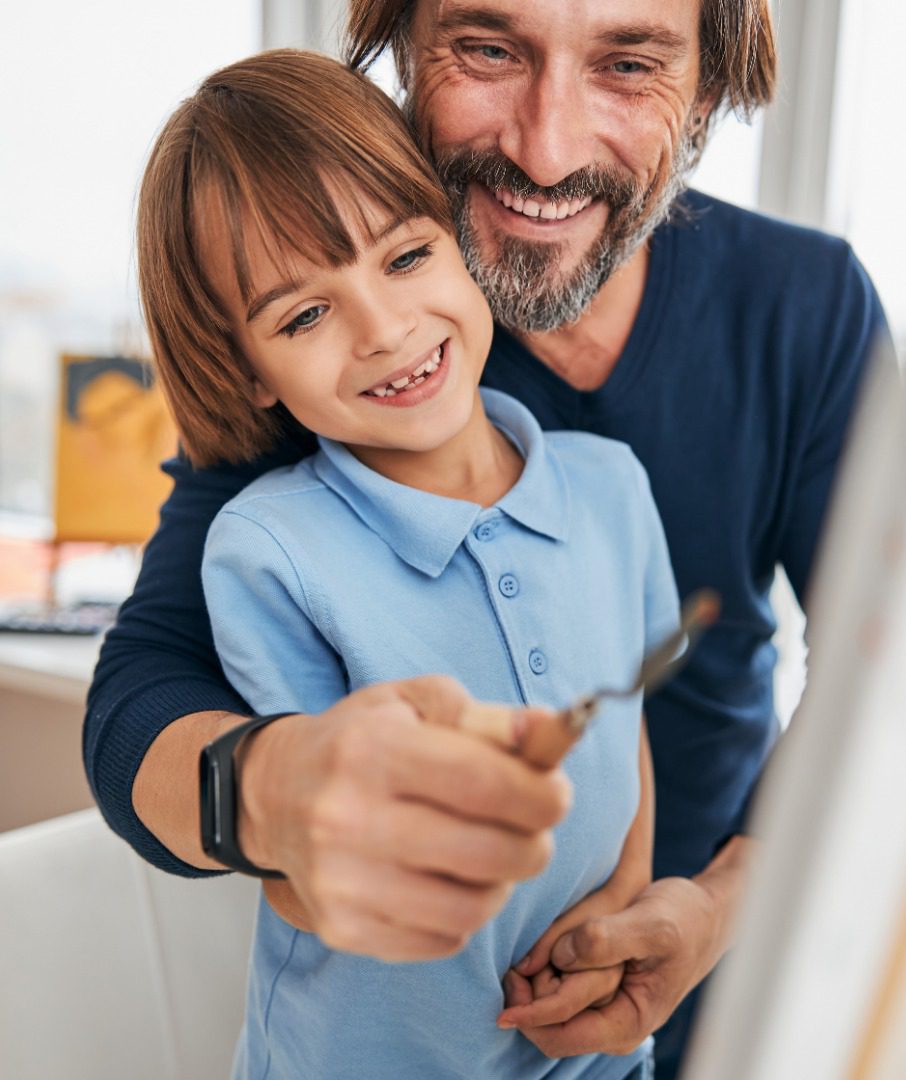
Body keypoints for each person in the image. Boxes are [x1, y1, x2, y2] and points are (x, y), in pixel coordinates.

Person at [85, 1, 890, 1076]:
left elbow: (890, 682)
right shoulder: (318, 360)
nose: (545, 148)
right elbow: (143, 691)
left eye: (629, 62)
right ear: (402, 50)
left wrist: (707, 908)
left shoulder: (802, 308)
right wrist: (276, 795)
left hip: (722, 1007)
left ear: (708, 86)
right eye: (489, 49)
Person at [135, 48, 679, 1079]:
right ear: (247, 371)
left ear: (459, 240)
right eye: (303, 315)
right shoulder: (270, 551)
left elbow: (630, 725)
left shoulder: (612, 491)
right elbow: (299, 864)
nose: (386, 331)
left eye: (404, 257)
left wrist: (627, 893)